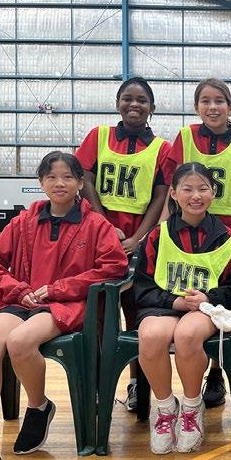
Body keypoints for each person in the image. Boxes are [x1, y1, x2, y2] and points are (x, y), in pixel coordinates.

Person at [0, 152, 128, 460]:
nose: (60, 183)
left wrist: (60, 288)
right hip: (21, 298)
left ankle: (38, 404)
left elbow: (113, 267)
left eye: (68, 177)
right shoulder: (23, 222)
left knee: (19, 341)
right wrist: (17, 290)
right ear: (41, 182)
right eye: (52, 177)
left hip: (64, 304)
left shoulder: (96, 225)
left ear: (80, 183)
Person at [164, 78, 231, 408]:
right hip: (186, 230)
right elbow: (172, 187)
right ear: (196, 107)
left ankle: (217, 371)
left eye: (219, 100)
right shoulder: (184, 137)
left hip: (226, 235)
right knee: (188, 296)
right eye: (206, 101)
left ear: (230, 106)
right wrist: (166, 227)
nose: (213, 106)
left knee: (223, 303)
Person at [134, 162, 231, 455]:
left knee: (187, 335)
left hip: (205, 310)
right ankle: (165, 408)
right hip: (163, 304)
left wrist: (207, 298)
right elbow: (142, 284)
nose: (195, 196)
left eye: (202, 189)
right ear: (173, 193)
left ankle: (191, 407)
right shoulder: (158, 236)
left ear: (213, 193)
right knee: (151, 337)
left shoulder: (227, 239)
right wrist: (174, 302)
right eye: (187, 189)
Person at [76, 77, 171, 412]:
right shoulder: (98, 136)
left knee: (136, 314)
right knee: (98, 316)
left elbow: (160, 196)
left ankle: (136, 384)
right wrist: (103, 225)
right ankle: (98, 384)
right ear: (118, 103)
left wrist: (139, 238)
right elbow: (85, 179)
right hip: (97, 240)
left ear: (152, 107)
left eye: (142, 100)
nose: (134, 105)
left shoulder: (162, 149)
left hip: (138, 244)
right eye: (128, 98)